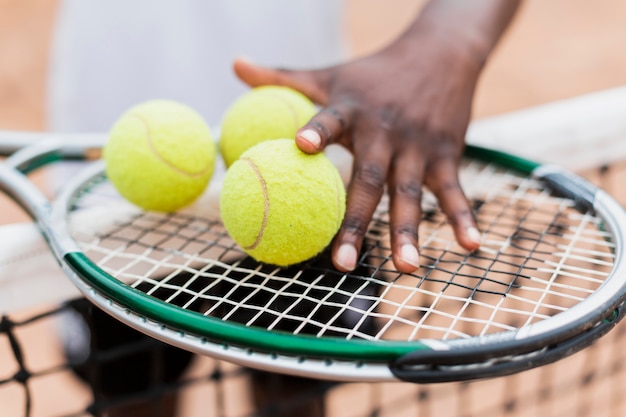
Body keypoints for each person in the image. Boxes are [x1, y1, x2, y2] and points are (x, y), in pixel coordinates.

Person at [46, 1, 522, 416]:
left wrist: (448, 45)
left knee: (293, 393)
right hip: (118, 207)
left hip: (311, 175)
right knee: (133, 394)